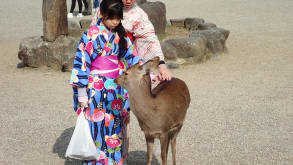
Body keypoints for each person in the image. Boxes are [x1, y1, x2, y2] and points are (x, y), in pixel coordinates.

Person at [69, 0, 140, 164]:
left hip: (115, 89)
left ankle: (115, 160)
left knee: (115, 126)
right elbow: (82, 63)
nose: (115, 22)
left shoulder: (121, 36)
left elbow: (132, 58)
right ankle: (95, 161)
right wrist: (81, 93)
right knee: (96, 126)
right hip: (95, 89)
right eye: (111, 18)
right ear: (101, 14)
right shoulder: (90, 35)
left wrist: (143, 72)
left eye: (118, 18)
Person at [91, 0, 172, 81]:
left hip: (124, 62)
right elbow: (90, 41)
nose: (128, 1)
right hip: (97, 67)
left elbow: (149, 39)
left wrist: (161, 65)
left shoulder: (138, 14)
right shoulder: (105, 7)